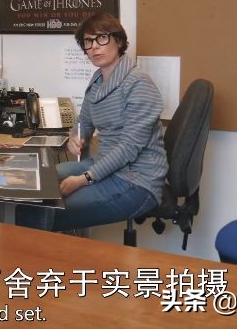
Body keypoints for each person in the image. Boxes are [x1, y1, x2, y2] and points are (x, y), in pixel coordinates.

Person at [15, 12, 167, 232]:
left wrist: (83, 179)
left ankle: (37, 253)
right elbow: (84, 121)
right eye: (88, 41)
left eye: (102, 38)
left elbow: (128, 148)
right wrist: (75, 136)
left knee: (41, 210)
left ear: (119, 41)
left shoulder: (139, 84)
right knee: (34, 185)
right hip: (105, 165)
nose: (94, 46)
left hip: (137, 180)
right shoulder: (97, 80)